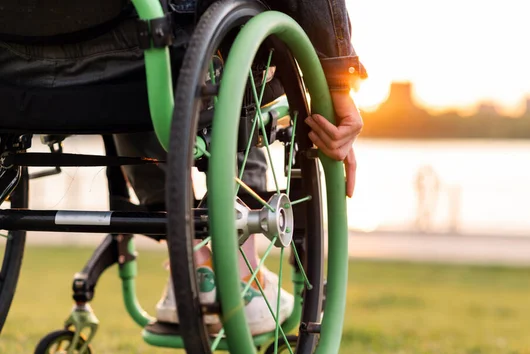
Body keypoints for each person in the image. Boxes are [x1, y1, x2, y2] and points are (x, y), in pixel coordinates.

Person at [0, 0, 365, 335]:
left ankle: (191, 258)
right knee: (233, 34)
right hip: (161, 46)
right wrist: (337, 81)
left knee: (155, 50)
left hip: (16, 60)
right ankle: (237, 267)